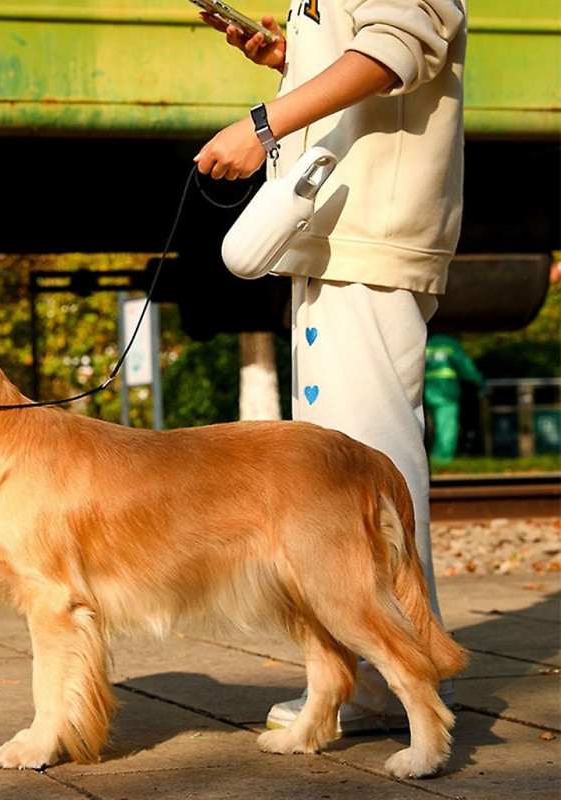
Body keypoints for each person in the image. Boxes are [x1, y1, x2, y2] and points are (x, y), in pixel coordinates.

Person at [195, 0, 467, 733]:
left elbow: (397, 50)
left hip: (366, 239)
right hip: (337, 237)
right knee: (342, 476)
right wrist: (294, 62)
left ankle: (395, 675)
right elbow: (376, 55)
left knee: (367, 468)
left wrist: (264, 123)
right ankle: (375, 670)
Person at [425, 332, 483, 462]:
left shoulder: (427, 343)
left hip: (427, 392)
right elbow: (465, 368)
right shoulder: (451, 344)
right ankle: (442, 459)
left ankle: (427, 458)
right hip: (447, 391)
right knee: (446, 426)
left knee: (427, 428)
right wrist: (479, 380)